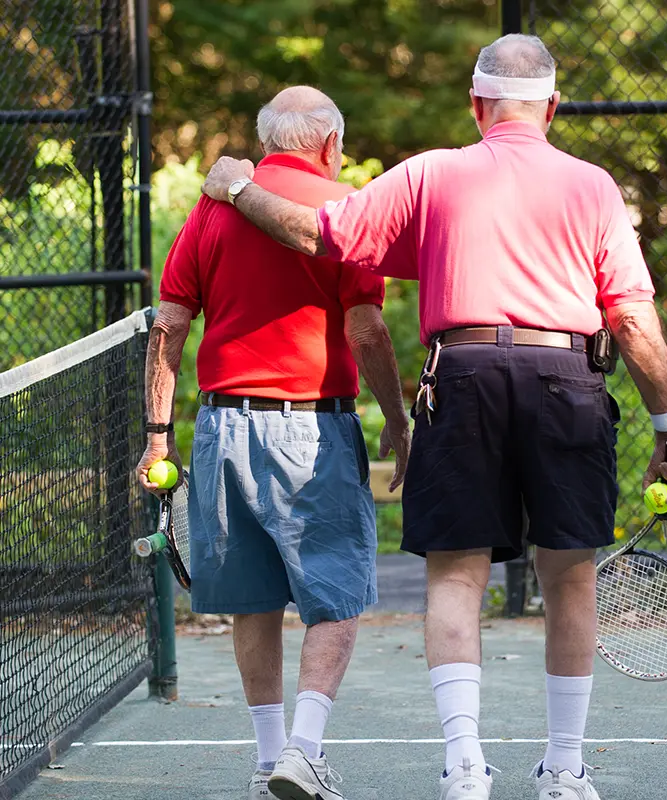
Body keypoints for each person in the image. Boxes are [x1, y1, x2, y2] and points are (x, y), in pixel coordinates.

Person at [199, 35, 667, 800]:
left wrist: (235, 188)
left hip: (459, 376)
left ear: (475, 106)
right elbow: (631, 320)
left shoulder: (432, 173)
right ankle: (564, 771)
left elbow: (315, 233)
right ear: (553, 107)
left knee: (455, 579)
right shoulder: (594, 186)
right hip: (568, 377)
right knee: (570, 577)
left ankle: (465, 766)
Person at [136, 86, 410, 800]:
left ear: (266, 142)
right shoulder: (346, 209)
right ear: (329, 145)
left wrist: (158, 438)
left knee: (254, 601)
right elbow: (367, 330)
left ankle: (267, 763)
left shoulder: (213, 207)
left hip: (222, 427)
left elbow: (168, 327)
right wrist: (398, 418)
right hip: (314, 426)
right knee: (339, 596)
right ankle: (304, 752)